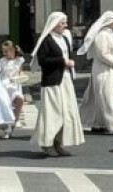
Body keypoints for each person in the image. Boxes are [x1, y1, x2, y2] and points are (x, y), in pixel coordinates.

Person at [31, 11, 85, 157]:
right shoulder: (46, 40)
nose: (65, 26)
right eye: (62, 23)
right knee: (52, 114)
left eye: (65, 23)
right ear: (54, 24)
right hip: (52, 82)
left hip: (65, 80)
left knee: (67, 112)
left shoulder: (64, 39)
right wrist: (63, 62)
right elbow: (43, 61)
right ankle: (47, 144)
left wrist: (68, 64)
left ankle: (58, 143)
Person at [79, 11, 113, 136]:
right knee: (107, 97)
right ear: (108, 21)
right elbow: (102, 53)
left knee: (101, 97)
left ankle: (99, 123)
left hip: (109, 70)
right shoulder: (102, 35)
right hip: (102, 70)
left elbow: (111, 51)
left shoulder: (109, 34)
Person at [0, 41, 25, 137]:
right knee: (7, 106)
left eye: (6, 51)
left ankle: (16, 119)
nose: (5, 54)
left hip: (15, 84)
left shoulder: (20, 60)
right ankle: (8, 129)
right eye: (3, 52)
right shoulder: (2, 61)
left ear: (12, 50)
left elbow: (21, 72)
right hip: (4, 85)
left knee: (20, 99)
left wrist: (21, 77)